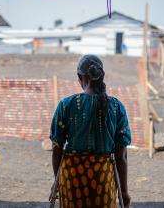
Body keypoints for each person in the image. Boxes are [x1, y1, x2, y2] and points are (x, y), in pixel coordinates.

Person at [50, 55, 131, 207]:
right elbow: (121, 156)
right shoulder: (117, 107)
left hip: (72, 179)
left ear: (80, 77)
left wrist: (57, 182)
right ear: (102, 76)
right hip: (103, 180)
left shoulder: (66, 105)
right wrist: (124, 193)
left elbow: (57, 149)